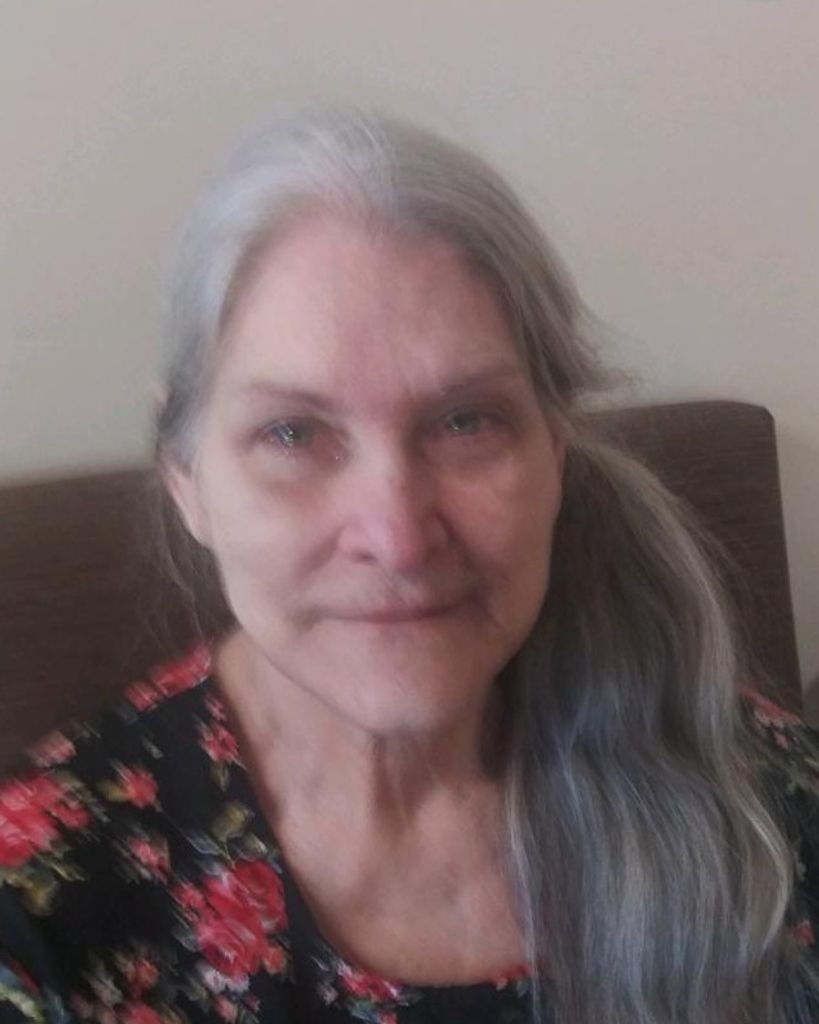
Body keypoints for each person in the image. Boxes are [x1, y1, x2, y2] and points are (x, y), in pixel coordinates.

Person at [1, 109, 818, 1024]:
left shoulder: (754, 801)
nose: (395, 536)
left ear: (554, 448)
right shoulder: (43, 915)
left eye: (466, 421)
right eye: (292, 434)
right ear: (185, 475)